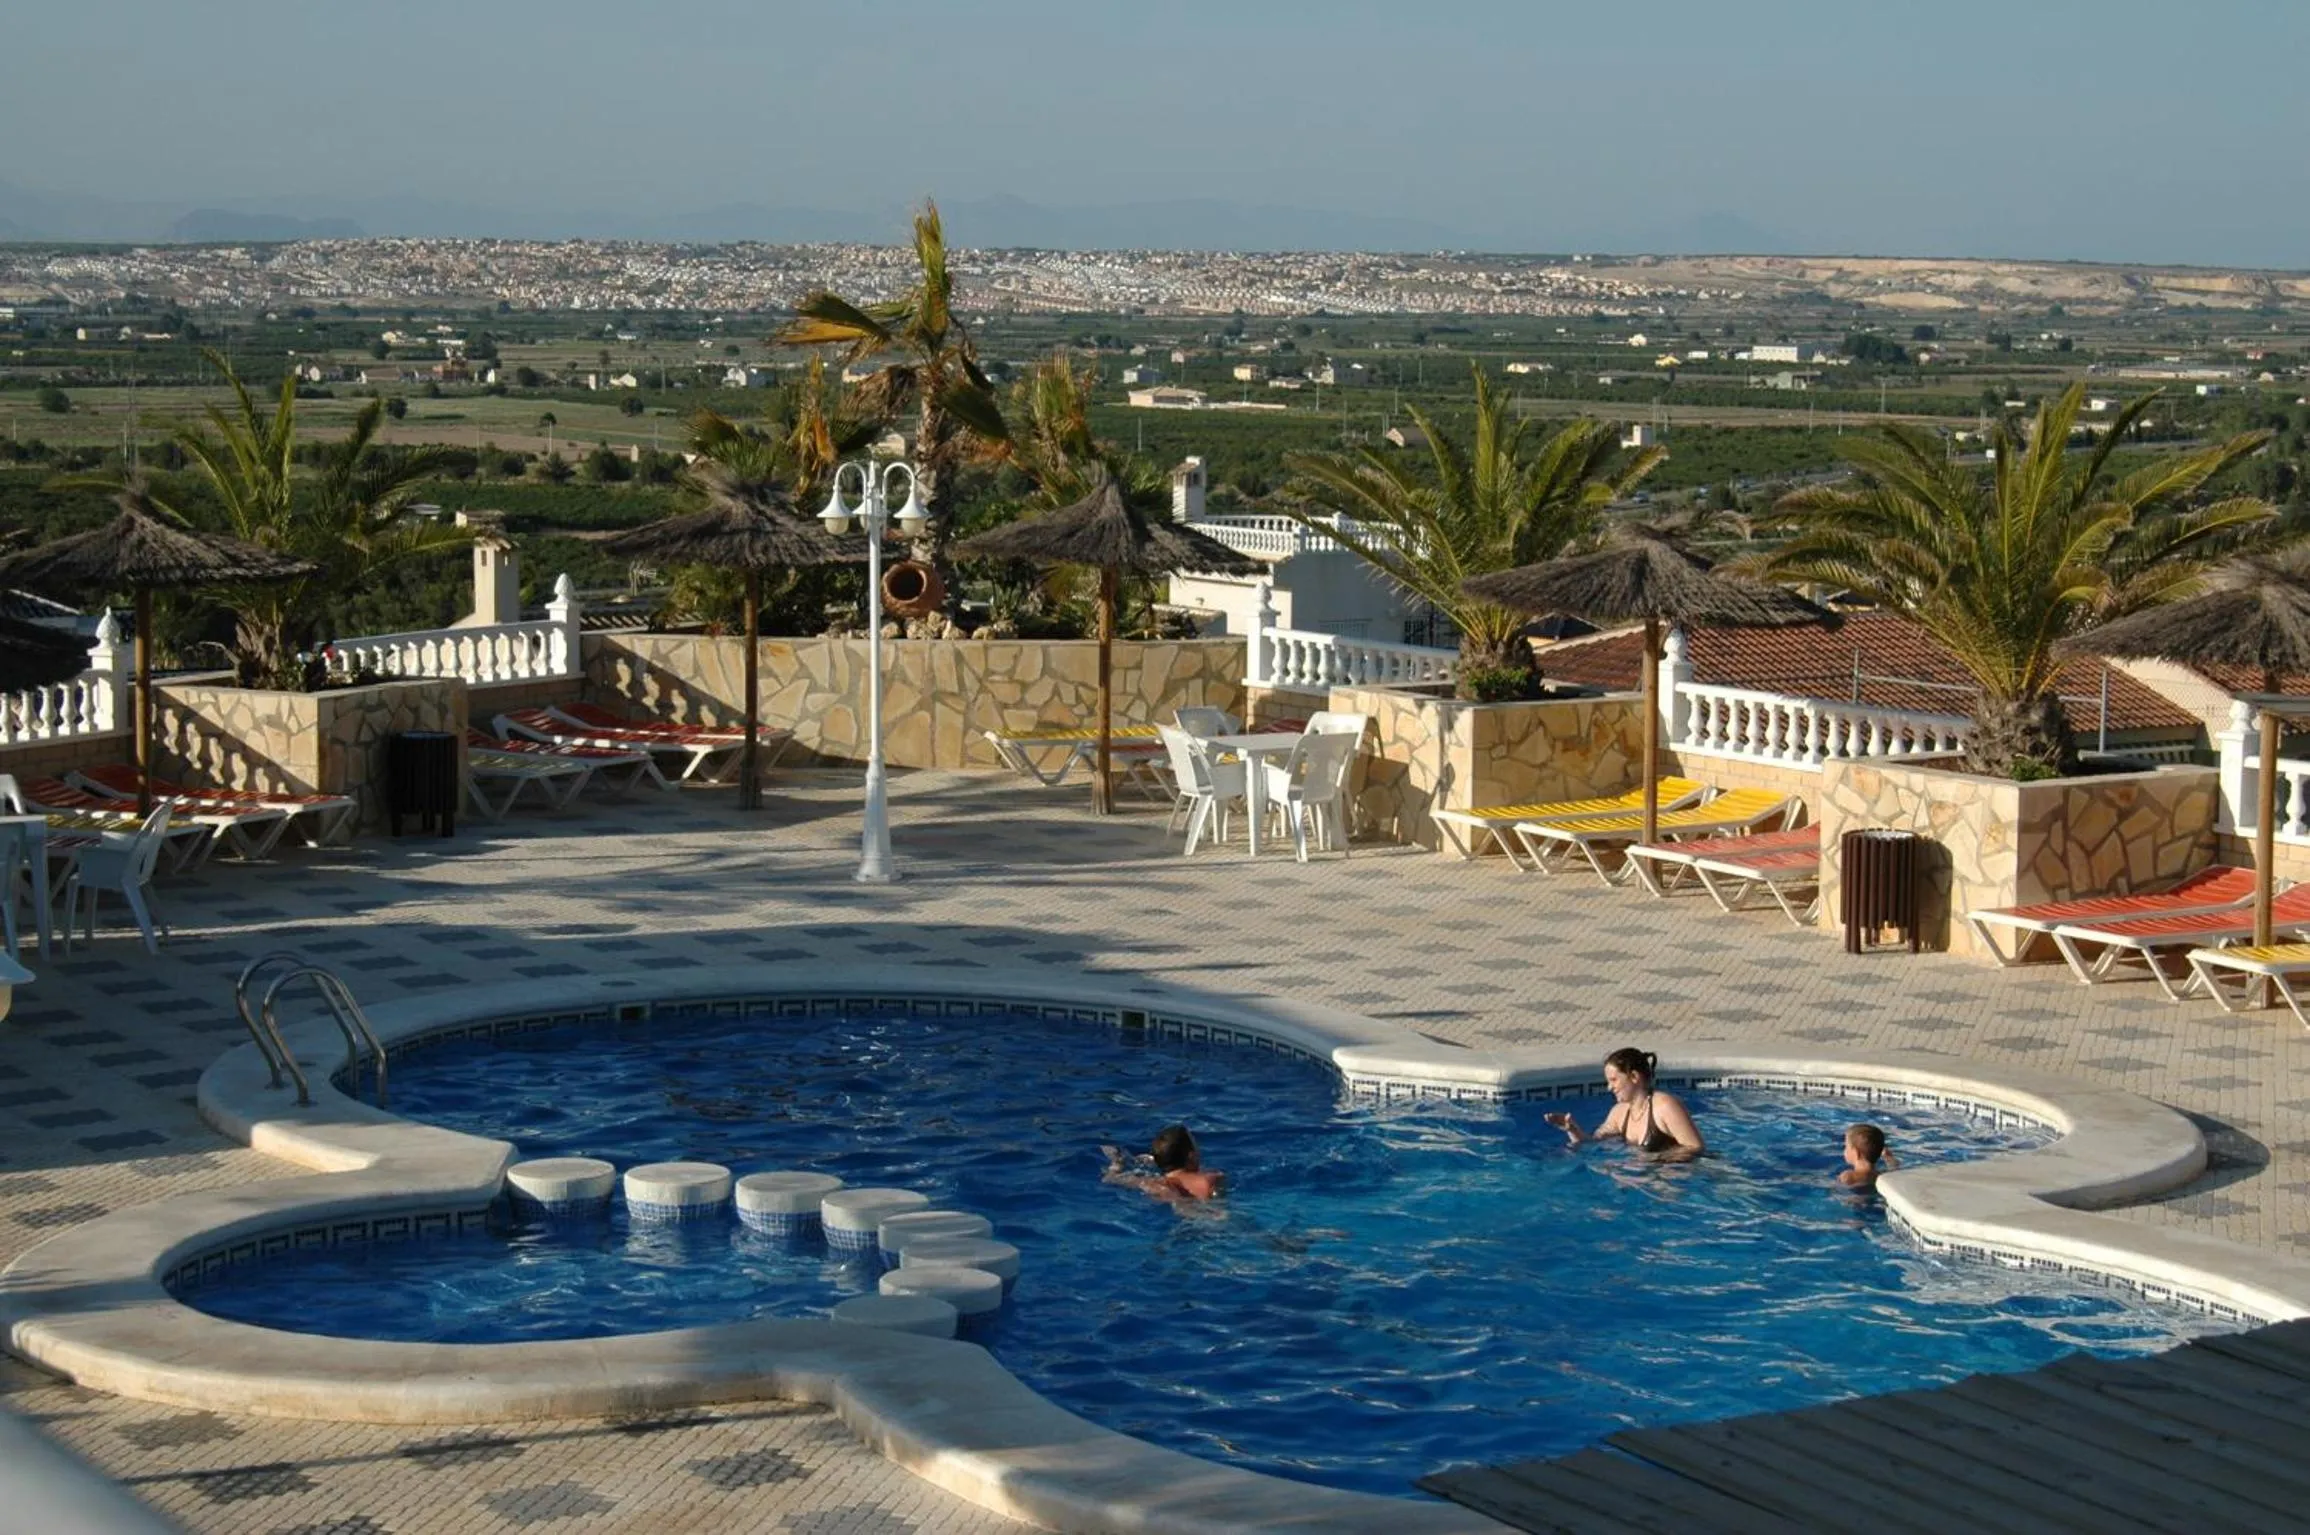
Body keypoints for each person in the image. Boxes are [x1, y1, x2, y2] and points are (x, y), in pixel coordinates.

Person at [1544, 1048, 1703, 1157]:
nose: (1609, 1087)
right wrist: (1572, 1130)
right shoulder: (1619, 1113)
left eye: (1614, 1080)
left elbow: (1695, 1147)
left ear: (1634, 1077)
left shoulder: (1665, 1106)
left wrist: (1655, 1162)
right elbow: (1591, 1144)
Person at [1105, 1124, 1227, 1200]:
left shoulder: (1154, 1183)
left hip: (1179, 1210)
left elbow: (1110, 1179)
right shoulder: (1210, 1179)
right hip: (1211, 1217)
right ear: (1191, 1156)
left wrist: (1117, 1163)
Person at [1839, 1123, 1896, 1188]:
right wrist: (1889, 1158)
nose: (1845, 1150)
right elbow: (1894, 1168)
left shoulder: (1848, 1176)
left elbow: (1835, 1189)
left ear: (1855, 1153)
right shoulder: (1881, 1175)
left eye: (1846, 1146)